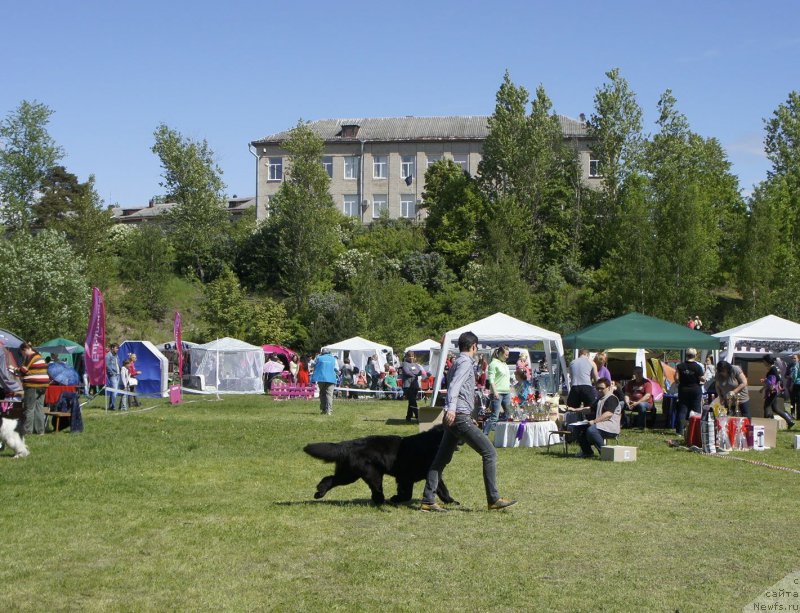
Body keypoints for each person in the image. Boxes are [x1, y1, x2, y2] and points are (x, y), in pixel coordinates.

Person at [420, 331, 516, 513]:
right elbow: (455, 386)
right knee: (489, 453)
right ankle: (493, 498)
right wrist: (452, 408)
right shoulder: (465, 362)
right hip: (458, 417)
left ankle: (428, 499)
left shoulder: (457, 362)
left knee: (441, 459)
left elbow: (458, 387)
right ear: (473, 346)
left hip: (458, 416)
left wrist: (456, 409)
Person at [574, 378, 622, 458]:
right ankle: (587, 452)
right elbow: (589, 409)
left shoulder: (612, 398)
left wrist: (594, 421)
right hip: (600, 425)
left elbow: (608, 414)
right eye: (597, 388)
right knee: (578, 429)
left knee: (592, 430)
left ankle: (605, 454)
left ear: (609, 388)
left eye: (602, 388)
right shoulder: (599, 399)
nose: (599, 390)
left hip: (611, 427)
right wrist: (574, 410)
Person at [18, 342, 49, 434]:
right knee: (39, 407)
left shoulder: (30, 356)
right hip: (43, 384)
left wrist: (14, 369)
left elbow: (24, 370)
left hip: (33, 384)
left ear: (25, 350)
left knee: (29, 408)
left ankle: (28, 431)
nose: (23, 355)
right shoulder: (39, 356)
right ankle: (40, 431)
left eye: (22, 353)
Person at [674, 348, 705, 435]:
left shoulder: (680, 366)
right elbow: (702, 379)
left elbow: (676, 378)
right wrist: (704, 377)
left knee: (682, 411)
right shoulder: (698, 367)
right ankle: (694, 430)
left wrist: (680, 382)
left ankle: (680, 431)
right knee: (696, 410)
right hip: (695, 390)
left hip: (683, 390)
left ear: (686, 355)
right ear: (695, 355)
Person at [484, 345, 511, 435]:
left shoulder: (504, 364)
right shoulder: (493, 364)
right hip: (497, 393)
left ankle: (503, 434)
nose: (507, 357)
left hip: (507, 393)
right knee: (495, 416)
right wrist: (495, 392)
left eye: (508, 355)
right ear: (499, 353)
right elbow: (491, 379)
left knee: (508, 414)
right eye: (506, 355)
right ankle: (484, 434)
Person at [761, 355, 795, 428]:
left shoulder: (773, 369)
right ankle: (789, 421)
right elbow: (773, 379)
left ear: (767, 361)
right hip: (774, 391)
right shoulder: (772, 368)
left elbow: (776, 378)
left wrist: (768, 382)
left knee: (766, 406)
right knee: (775, 408)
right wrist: (763, 387)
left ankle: (765, 424)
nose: (763, 363)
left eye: (764, 361)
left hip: (773, 391)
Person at [310, 349, 338, 415]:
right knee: (329, 394)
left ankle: (323, 410)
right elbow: (337, 369)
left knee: (322, 394)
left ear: (322, 352)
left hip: (321, 378)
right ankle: (329, 411)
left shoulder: (318, 358)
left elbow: (312, 365)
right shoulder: (333, 359)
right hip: (331, 378)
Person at [401, 352, 426, 422]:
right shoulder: (404, 364)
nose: (411, 358)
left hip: (415, 386)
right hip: (407, 386)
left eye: (412, 357)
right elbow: (407, 372)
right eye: (410, 357)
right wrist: (416, 373)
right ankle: (418, 416)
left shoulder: (416, 365)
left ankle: (408, 417)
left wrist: (415, 373)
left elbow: (419, 372)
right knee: (413, 401)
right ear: (407, 357)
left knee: (411, 402)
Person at [105, 343, 121, 410]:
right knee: (115, 391)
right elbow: (107, 365)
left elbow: (117, 364)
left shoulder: (116, 355)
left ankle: (111, 406)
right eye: (116, 348)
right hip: (113, 375)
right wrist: (112, 373)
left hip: (118, 374)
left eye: (118, 348)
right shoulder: (108, 355)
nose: (117, 349)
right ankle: (113, 406)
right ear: (112, 348)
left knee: (113, 391)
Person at [789, 354, 800, 419]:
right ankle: (798, 416)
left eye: (795, 358)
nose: (793, 359)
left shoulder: (795, 366)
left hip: (795, 385)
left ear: (798, 359)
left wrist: (791, 385)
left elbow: (794, 377)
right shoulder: (793, 366)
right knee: (798, 401)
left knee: (792, 401)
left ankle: (792, 414)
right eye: (792, 358)